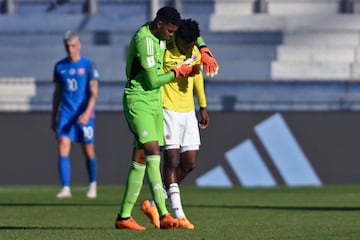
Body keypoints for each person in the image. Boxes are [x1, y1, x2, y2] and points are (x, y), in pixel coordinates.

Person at [114, 6, 198, 230]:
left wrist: (205, 51)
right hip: (138, 100)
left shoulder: (160, 35)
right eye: (170, 32)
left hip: (154, 103)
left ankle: (124, 217)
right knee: (152, 151)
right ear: (159, 23)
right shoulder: (145, 41)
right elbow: (151, 82)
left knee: (141, 157)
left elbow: (193, 35)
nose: (171, 36)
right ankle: (163, 214)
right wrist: (178, 72)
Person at [140, 19, 210, 230]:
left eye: (192, 46)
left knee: (190, 163)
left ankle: (153, 202)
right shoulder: (164, 49)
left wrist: (203, 106)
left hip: (188, 111)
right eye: (186, 45)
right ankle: (178, 214)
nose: (189, 49)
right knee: (171, 160)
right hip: (167, 109)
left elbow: (197, 77)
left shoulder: (194, 50)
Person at [51, 31, 99, 199]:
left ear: (79, 45)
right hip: (65, 113)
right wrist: (54, 116)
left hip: (83, 113)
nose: (69, 49)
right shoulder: (60, 67)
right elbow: (57, 93)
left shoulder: (89, 65)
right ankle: (65, 188)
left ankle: (92, 184)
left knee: (88, 150)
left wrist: (87, 112)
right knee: (63, 146)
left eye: (72, 45)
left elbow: (94, 92)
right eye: (67, 46)